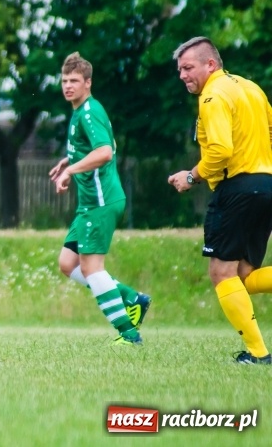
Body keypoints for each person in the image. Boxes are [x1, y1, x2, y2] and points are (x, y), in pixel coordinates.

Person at [168, 37, 272, 365]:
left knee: (221, 273)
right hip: (266, 185)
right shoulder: (251, 88)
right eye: (180, 70)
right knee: (242, 275)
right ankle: (257, 352)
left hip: (237, 189)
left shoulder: (213, 95)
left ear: (210, 64)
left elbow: (220, 151)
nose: (183, 75)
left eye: (188, 67)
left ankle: (258, 354)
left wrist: (191, 176)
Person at [49, 52, 150, 346]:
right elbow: (87, 148)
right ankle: (132, 298)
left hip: (101, 203)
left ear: (88, 83)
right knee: (68, 263)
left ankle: (129, 334)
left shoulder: (90, 112)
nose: (68, 86)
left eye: (74, 81)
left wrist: (71, 169)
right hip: (89, 205)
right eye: (64, 80)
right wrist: (66, 160)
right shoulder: (79, 111)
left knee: (93, 268)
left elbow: (104, 152)